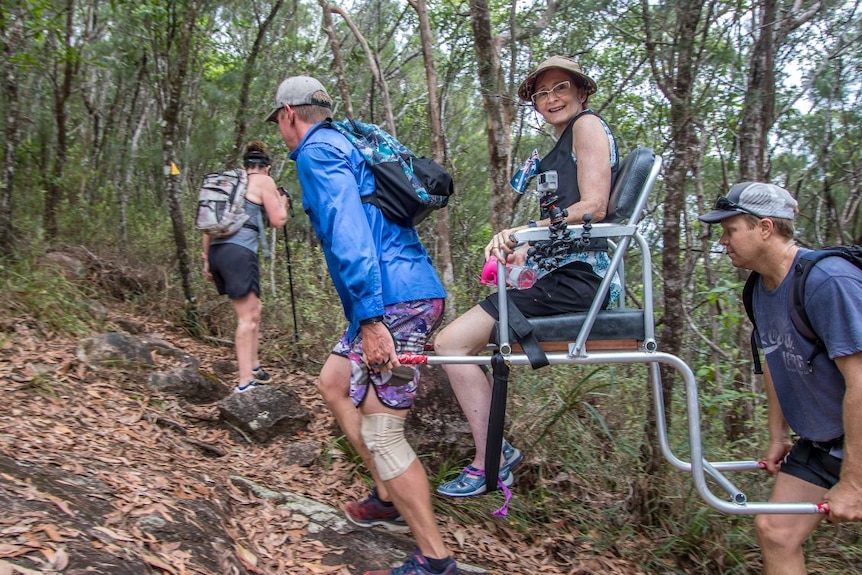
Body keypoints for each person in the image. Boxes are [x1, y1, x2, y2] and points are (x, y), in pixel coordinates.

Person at [266, 75, 457, 575]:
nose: (282, 132)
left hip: (395, 301)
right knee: (332, 382)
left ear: (289, 113)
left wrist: (371, 320)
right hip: (395, 292)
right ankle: (386, 497)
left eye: (280, 123)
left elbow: (348, 233)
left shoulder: (317, 151)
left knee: (383, 431)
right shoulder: (349, 140)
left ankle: (435, 562)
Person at [433, 55, 620, 497]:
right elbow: (565, 223)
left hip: (577, 281)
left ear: (581, 92)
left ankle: (489, 462)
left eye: (561, 88)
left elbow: (595, 207)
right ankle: (496, 450)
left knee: (451, 344)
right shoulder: (560, 143)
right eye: (542, 93)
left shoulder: (587, 127)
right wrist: (524, 253)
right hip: (558, 274)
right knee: (459, 343)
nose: (551, 98)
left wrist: (524, 232)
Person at [697, 182, 862, 574]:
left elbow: (860, 381)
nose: (722, 241)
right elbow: (774, 358)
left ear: (765, 228)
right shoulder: (759, 289)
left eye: (730, 230)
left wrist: (854, 483)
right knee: (776, 531)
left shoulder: (828, 281)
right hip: (823, 443)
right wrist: (779, 436)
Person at [203, 141, 289, 393]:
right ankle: (244, 384)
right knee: (246, 318)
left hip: (219, 251)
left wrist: (207, 258)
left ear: (244, 165)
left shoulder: (229, 184)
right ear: (267, 167)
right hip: (240, 253)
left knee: (254, 311)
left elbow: (209, 222)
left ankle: (253, 367)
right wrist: (281, 202)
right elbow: (278, 221)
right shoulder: (263, 181)